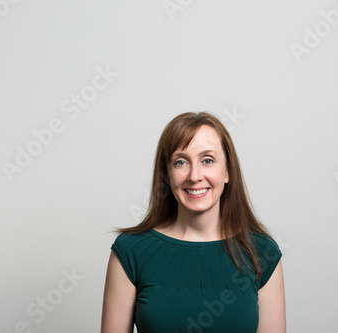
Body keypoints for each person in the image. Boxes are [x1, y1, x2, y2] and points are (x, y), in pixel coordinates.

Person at [101, 111, 286, 332]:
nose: (194, 175)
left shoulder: (262, 253)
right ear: (167, 175)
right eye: (181, 162)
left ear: (227, 171)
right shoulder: (131, 252)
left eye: (207, 160)